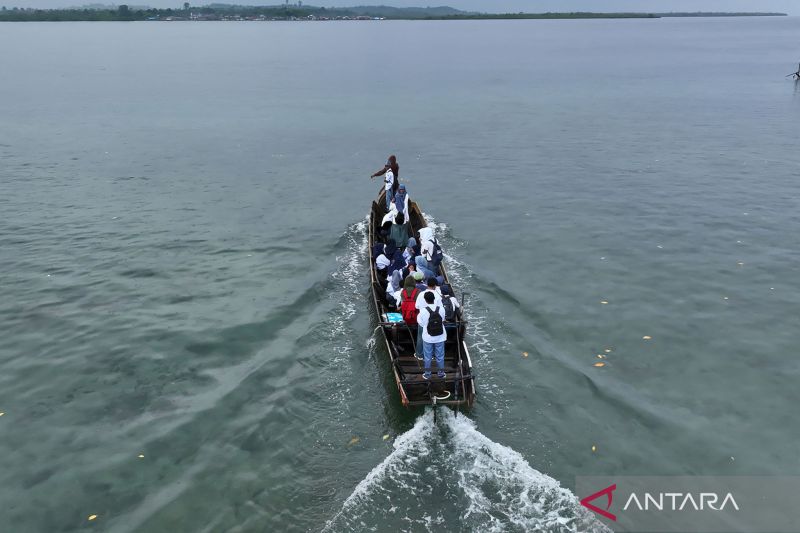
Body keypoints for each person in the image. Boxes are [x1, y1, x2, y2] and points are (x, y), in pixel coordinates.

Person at [417, 291, 447, 379]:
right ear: (434, 299)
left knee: (427, 357)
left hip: (428, 337)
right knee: (440, 356)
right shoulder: (441, 309)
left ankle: (428, 374)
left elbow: (421, 324)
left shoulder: (422, 311)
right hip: (440, 336)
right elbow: (443, 319)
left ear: (425, 300)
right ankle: (441, 374)